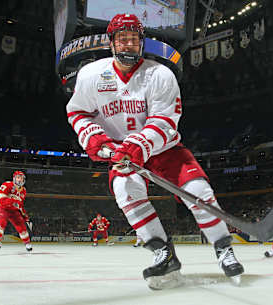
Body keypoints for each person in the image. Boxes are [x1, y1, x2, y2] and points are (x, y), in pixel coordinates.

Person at [65, 14, 243, 288]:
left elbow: (165, 121)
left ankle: (223, 249)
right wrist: (96, 140)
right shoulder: (91, 75)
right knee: (126, 192)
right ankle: (164, 254)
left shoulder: (160, 75)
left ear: (142, 43)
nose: (128, 45)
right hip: (120, 153)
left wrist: (136, 146)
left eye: (134, 39)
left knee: (199, 192)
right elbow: (78, 112)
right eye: (122, 39)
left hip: (163, 149)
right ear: (111, 43)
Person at [0, 171, 32, 252]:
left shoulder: (23, 190)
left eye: (22, 178)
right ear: (14, 178)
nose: (20, 180)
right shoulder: (7, 185)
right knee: (1, 222)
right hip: (2, 207)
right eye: (18, 177)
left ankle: (27, 244)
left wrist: (25, 216)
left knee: (22, 227)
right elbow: (2, 200)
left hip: (13, 210)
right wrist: (14, 201)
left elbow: (20, 205)